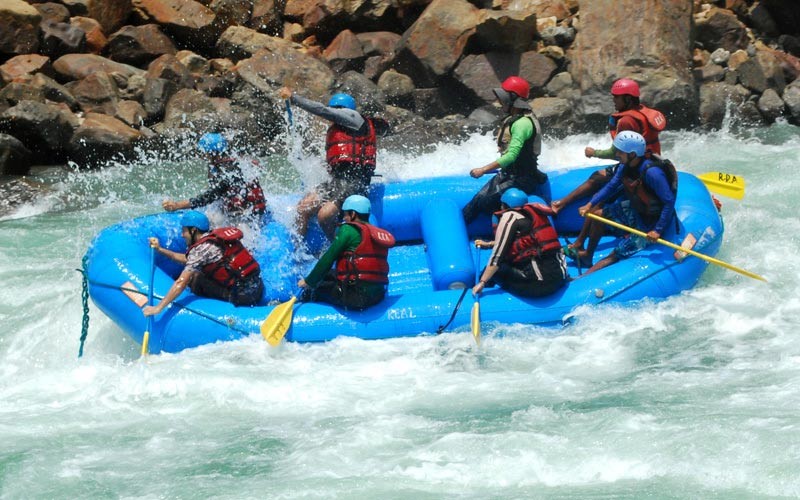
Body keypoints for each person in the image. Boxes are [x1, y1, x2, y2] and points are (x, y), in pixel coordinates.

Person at [279, 87, 390, 240]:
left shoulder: (353, 117)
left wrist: (294, 99)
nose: (333, 114)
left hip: (355, 181)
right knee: (303, 208)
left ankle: (337, 248)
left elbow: (321, 110)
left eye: (334, 110)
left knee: (324, 215)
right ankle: (298, 251)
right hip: (336, 182)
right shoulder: (340, 128)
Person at [551, 78, 666, 216]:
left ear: (628, 99)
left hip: (635, 167)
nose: (614, 100)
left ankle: (560, 204)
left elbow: (616, 152)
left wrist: (594, 153)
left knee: (596, 178)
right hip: (652, 160)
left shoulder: (626, 121)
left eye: (616, 97)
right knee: (601, 176)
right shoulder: (642, 111)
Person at [574, 131, 678, 276]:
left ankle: (583, 279)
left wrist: (657, 230)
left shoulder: (653, 173)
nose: (616, 153)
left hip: (651, 223)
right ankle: (587, 255)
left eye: (619, 151)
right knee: (598, 216)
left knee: (615, 254)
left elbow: (669, 202)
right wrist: (590, 204)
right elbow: (611, 186)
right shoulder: (625, 166)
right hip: (636, 210)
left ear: (633, 154)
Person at [142, 210, 264, 316]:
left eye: (184, 231)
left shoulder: (199, 250)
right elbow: (188, 259)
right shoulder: (216, 238)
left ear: (193, 230)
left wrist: (158, 308)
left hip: (242, 297)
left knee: (196, 277)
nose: (182, 235)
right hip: (257, 288)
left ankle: (201, 307)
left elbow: (181, 283)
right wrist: (160, 249)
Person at [462, 76, 549, 224]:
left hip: (523, 179)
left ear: (513, 100)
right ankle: (457, 227)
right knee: (477, 200)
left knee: (484, 202)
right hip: (508, 174)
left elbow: (511, 156)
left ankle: (506, 224)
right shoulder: (514, 119)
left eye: (502, 98)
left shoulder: (522, 124)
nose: (499, 102)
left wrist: (483, 169)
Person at [297, 195, 396, 310]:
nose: (344, 218)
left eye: (345, 214)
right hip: (378, 296)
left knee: (315, 289)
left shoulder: (347, 230)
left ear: (353, 214)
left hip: (356, 298)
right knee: (329, 274)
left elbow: (327, 259)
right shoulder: (375, 232)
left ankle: (303, 301)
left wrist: (309, 281)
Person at [472, 188, 568, 298]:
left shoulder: (510, 216)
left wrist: (482, 282)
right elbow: (528, 242)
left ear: (505, 205)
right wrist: (489, 244)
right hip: (560, 278)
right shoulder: (534, 213)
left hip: (540, 285)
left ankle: (474, 294)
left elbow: (498, 255)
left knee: (496, 270)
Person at [161, 132, 268, 224]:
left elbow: (210, 196)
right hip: (248, 210)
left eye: (204, 152)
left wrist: (177, 205)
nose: (202, 155)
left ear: (210, 153)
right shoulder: (230, 162)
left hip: (247, 217)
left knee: (212, 220)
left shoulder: (227, 171)